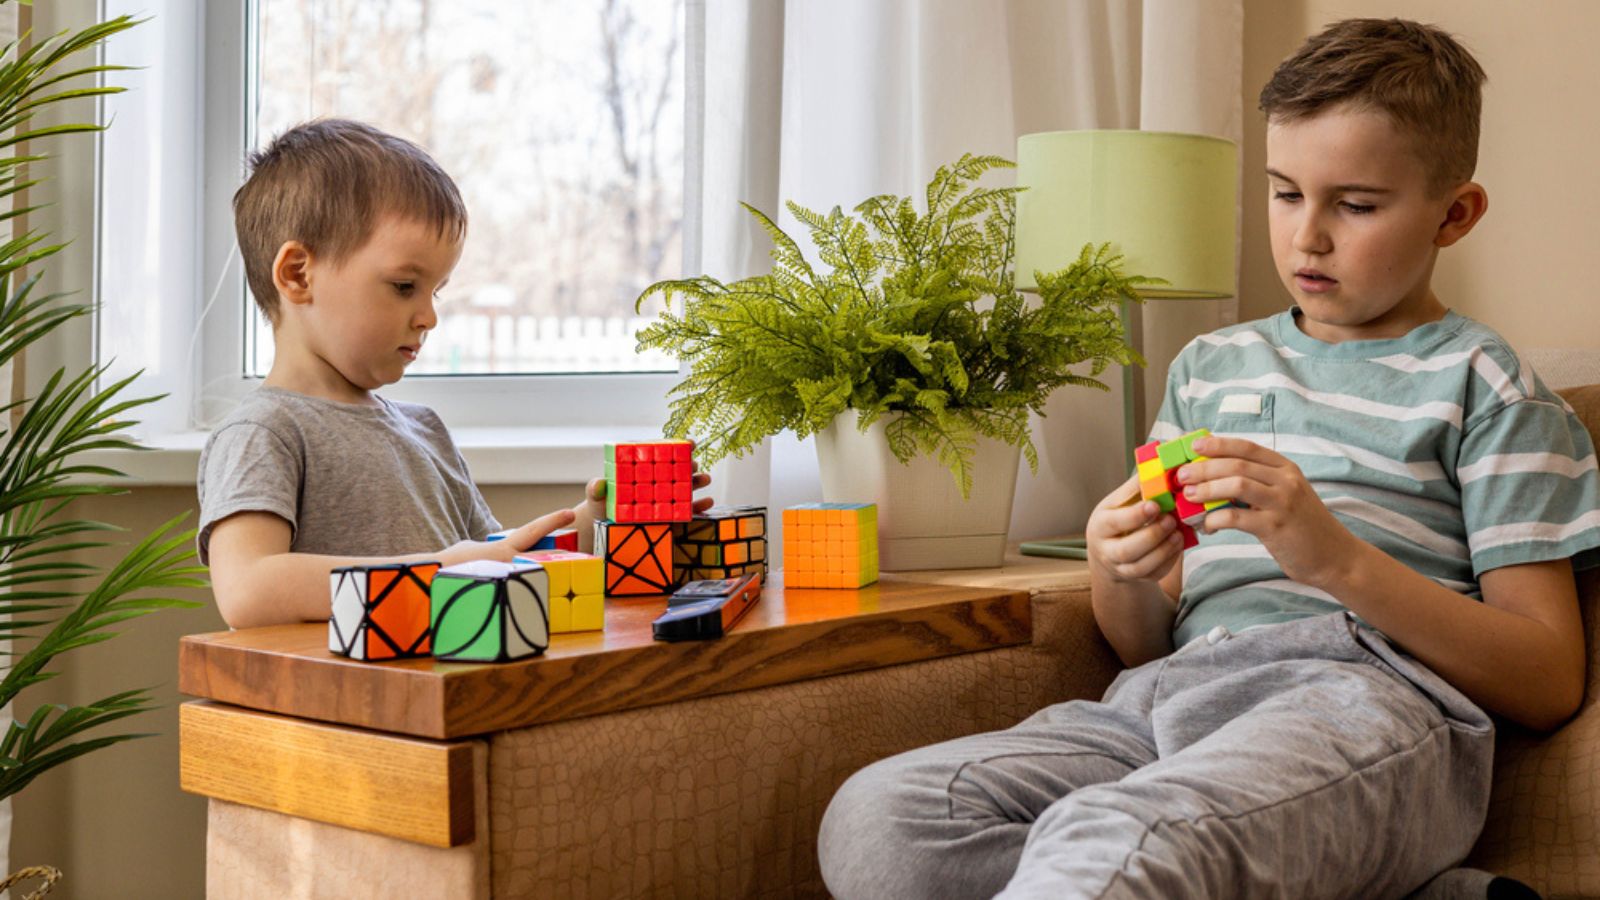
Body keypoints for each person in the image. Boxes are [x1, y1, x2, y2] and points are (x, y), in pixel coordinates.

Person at [818, 18, 1600, 899]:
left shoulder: (1489, 388)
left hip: (1363, 706)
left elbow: (1547, 678)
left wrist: (1334, 558)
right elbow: (1142, 638)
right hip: (1168, 699)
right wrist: (1118, 568)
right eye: (1284, 193)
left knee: (1118, 836)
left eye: (1355, 204)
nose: (1307, 237)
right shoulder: (1210, 367)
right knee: (883, 818)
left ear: (1453, 214)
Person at [198, 119, 709, 629]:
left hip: (445, 692)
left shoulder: (425, 430)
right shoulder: (264, 433)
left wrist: (602, 517)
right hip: (342, 702)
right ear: (298, 275)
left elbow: (496, 557)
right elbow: (249, 590)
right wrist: (439, 570)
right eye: (404, 286)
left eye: (435, 291)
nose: (429, 316)